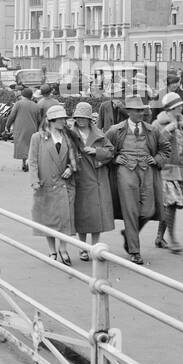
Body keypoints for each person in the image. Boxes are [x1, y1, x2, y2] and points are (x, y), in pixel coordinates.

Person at [104, 94, 169, 265]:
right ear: (129, 112)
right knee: (130, 211)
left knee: (149, 210)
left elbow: (165, 148)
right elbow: (103, 148)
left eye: (142, 110)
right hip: (125, 173)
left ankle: (129, 234)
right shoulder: (115, 130)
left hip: (147, 172)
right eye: (137, 110)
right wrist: (114, 158)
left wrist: (157, 159)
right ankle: (134, 251)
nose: (141, 113)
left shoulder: (152, 130)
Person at [28, 105, 79, 263]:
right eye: (61, 119)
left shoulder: (68, 137)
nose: (64, 121)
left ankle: (63, 249)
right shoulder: (38, 137)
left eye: (64, 118)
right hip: (46, 183)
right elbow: (33, 161)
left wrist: (71, 168)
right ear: (51, 121)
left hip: (65, 184)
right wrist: (34, 180)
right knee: (48, 219)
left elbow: (76, 157)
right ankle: (52, 251)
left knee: (65, 219)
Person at [67, 102, 115, 261]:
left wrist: (96, 151)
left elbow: (111, 152)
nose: (81, 120)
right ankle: (82, 248)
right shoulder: (69, 134)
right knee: (82, 215)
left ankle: (95, 247)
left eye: (84, 117)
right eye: (78, 117)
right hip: (80, 177)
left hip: (98, 179)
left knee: (96, 215)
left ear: (90, 119)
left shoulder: (100, 134)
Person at [154, 92, 183, 253]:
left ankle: (160, 236)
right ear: (171, 107)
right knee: (170, 204)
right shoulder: (158, 124)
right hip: (165, 171)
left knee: (169, 206)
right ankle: (172, 238)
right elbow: (154, 144)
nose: (181, 107)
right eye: (178, 106)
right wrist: (167, 130)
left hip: (180, 171)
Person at [9, 86, 42, 171]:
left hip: (20, 128)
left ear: (22, 95)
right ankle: (27, 163)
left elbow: (12, 115)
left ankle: (24, 163)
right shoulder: (36, 106)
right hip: (32, 128)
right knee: (30, 146)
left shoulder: (18, 103)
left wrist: (7, 125)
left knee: (22, 146)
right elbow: (39, 120)